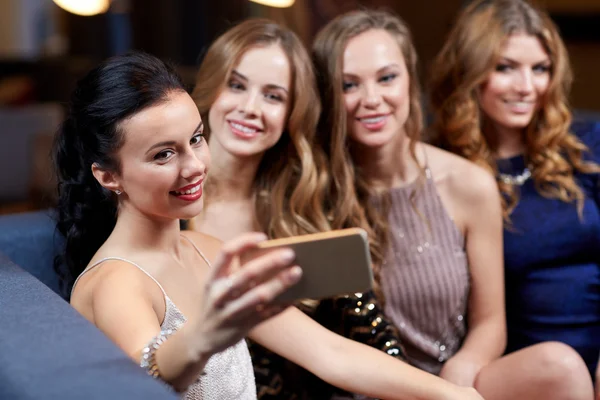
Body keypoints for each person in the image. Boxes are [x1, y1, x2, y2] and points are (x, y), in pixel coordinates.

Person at [54, 50, 483, 400]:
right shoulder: (116, 281)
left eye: (196, 139)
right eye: (163, 154)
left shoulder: (209, 249)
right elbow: (150, 379)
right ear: (108, 175)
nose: (194, 166)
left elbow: (330, 353)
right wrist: (207, 333)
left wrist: (452, 395)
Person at [313, 8, 595, 400]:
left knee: (558, 366)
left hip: (454, 379)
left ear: (410, 80)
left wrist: (454, 381)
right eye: (349, 85)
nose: (372, 99)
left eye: (387, 77)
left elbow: (489, 323)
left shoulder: (468, 182)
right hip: (358, 386)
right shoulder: (308, 189)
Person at [188, 18, 410, 399]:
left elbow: (370, 336)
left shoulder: (302, 206)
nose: (250, 108)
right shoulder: (166, 204)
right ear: (211, 88)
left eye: (273, 96)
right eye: (236, 85)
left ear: (293, 113)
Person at [429, 0, 599, 395]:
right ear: (469, 73)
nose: (527, 87)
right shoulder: (445, 170)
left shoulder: (586, 148)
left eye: (540, 69)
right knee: (559, 365)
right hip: (524, 368)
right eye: (505, 68)